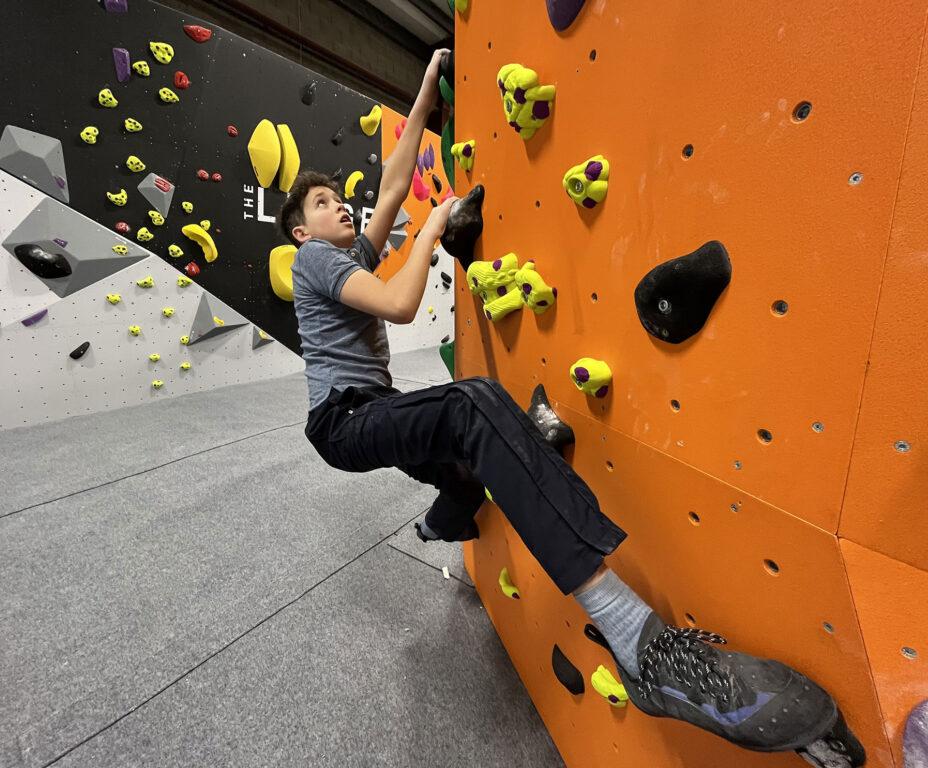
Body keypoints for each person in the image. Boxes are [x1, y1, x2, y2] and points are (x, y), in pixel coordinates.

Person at [279, 48, 863, 768]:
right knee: (471, 407)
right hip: (342, 422)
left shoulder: (353, 252)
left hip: (370, 407)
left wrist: (429, 86)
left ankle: (449, 516)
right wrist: (436, 225)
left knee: (462, 466)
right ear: (301, 232)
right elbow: (401, 307)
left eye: (338, 196)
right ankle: (637, 642)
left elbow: (395, 180)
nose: (339, 204)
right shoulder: (314, 261)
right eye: (319, 204)